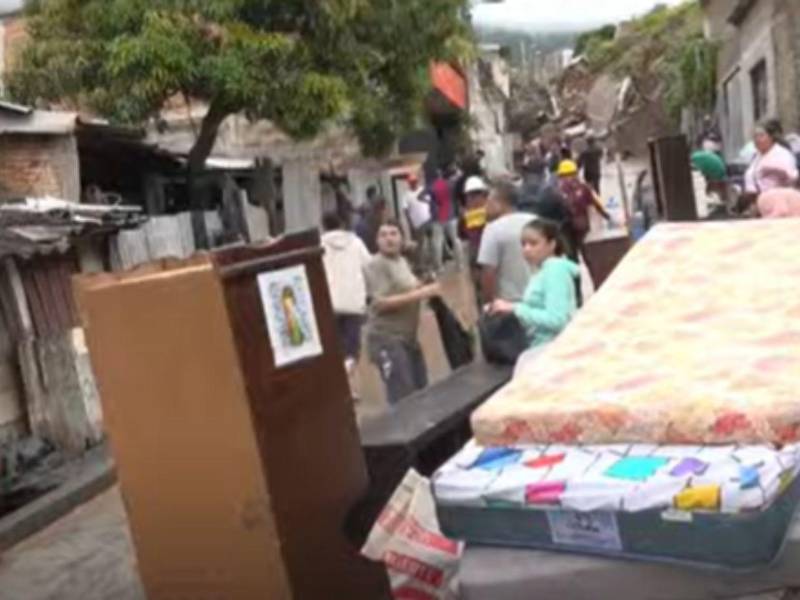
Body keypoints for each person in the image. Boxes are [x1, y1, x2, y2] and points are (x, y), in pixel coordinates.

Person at [364, 220, 441, 406]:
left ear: (401, 238)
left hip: (409, 339)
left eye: (393, 233)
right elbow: (379, 304)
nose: (388, 238)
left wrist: (426, 285)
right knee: (403, 398)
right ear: (376, 241)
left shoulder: (402, 261)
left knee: (422, 390)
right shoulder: (376, 264)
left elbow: (409, 288)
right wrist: (421, 293)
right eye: (383, 235)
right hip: (387, 339)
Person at [489, 218, 579, 375]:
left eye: (533, 243)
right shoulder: (541, 271)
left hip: (550, 349)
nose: (527, 249)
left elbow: (557, 319)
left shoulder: (554, 270)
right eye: (523, 244)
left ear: (552, 244)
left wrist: (516, 309)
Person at [321, 212, 372, 393]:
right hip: (353, 303)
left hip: (329, 304)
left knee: (336, 349)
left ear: (324, 226)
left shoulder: (319, 245)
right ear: (342, 224)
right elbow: (369, 267)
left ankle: (345, 389)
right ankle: (347, 384)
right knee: (352, 350)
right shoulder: (356, 243)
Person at [477, 181, 534, 304]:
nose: (485, 206)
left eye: (489, 201)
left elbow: (488, 272)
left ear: (500, 204)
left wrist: (489, 304)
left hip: (510, 303)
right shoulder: (534, 221)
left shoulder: (492, 229)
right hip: (540, 298)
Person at [557, 159, 612, 263]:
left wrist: (607, 216)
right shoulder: (582, 188)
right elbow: (596, 204)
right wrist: (607, 216)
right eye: (565, 176)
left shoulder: (560, 191)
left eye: (569, 175)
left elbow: (596, 204)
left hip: (573, 228)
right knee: (579, 256)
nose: (567, 179)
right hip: (572, 228)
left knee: (580, 255)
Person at [745, 120, 799, 195]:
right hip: (755, 201)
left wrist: (779, 172)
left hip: (775, 201)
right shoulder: (756, 156)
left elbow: (793, 178)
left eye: (761, 136)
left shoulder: (782, 155)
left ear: (771, 137)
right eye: (755, 136)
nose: (757, 139)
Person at [430, 167, 462, 271]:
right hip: (451, 214)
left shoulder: (432, 186)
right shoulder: (451, 185)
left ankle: (439, 267)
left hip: (438, 216)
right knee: (455, 239)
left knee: (437, 241)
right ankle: (459, 264)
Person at [402, 173, 434, 272]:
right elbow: (405, 211)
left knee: (432, 243)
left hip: (429, 220)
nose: (413, 184)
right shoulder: (406, 195)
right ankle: (421, 265)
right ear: (409, 183)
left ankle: (433, 263)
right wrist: (410, 224)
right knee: (420, 245)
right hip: (417, 223)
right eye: (411, 182)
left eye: (415, 181)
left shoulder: (423, 190)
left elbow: (431, 202)